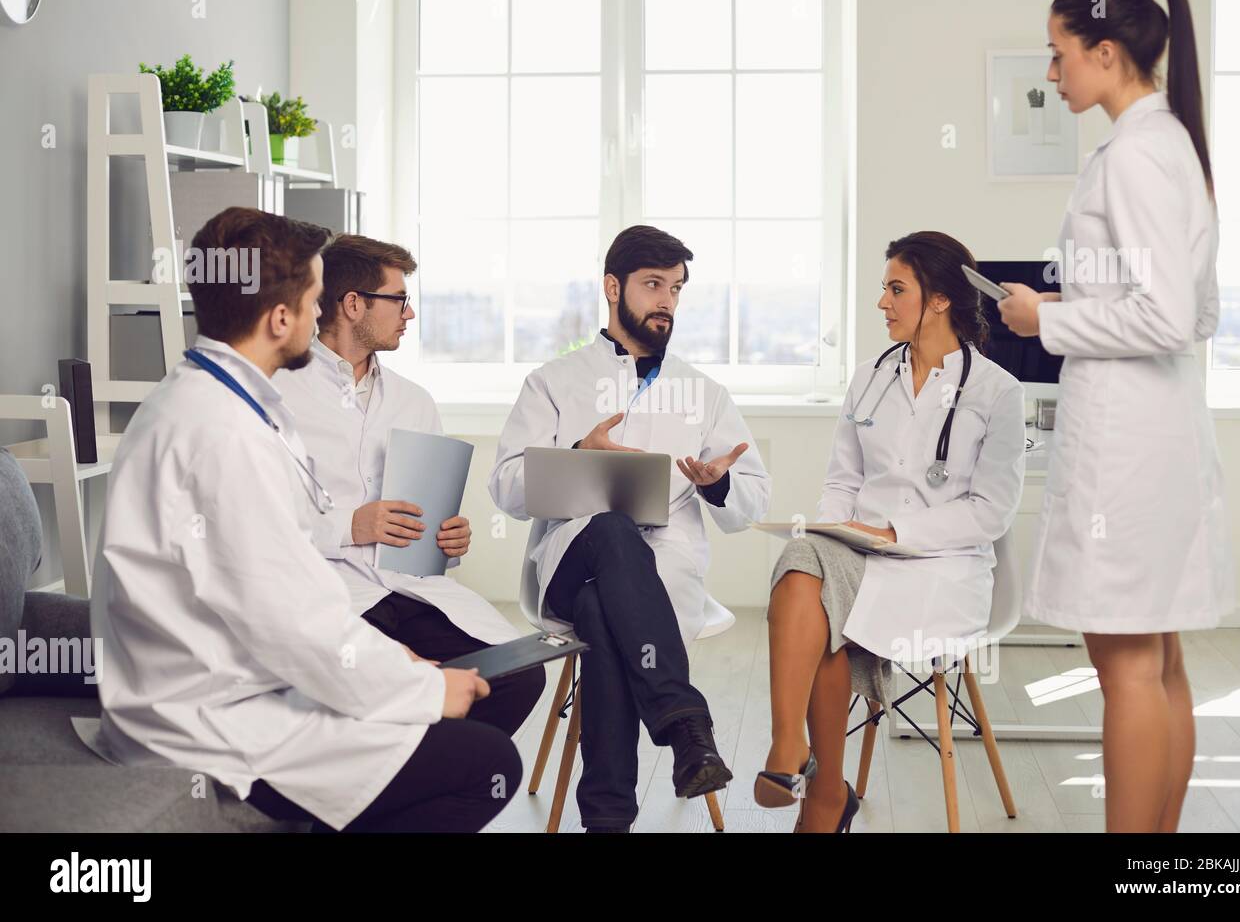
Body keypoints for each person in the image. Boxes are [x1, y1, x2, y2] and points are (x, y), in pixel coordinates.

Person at [91, 207, 520, 833]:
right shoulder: (223, 433)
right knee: (486, 764)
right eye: (315, 299)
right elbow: (287, 616)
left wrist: (388, 661)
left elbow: (282, 583)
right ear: (281, 317)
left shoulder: (208, 402)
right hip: (208, 723)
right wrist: (420, 690)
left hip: (232, 682)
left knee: (458, 724)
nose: (322, 315)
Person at [996, 0, 1232, 832]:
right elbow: (1198, 310)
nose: (1052, 75)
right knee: (1158, 658)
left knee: (1127, 663)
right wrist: (1064, 307)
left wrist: (1043, 320)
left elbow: (1167, 317)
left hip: (1129, 446)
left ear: (1106, 51)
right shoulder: (1173, 146)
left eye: (1059, 57)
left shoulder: (1135, 154)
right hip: (1163, 433)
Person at [488, 225, 771, 831]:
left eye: (675, 288)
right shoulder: (554, 380)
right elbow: (507, 489)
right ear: (613, 288)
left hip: (664, 575)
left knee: (603, 609)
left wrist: (719, 483)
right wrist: (577, 455)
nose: (666, 300)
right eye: (652, 285)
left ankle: (608, 817)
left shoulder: (704, 392)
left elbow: (750, 504)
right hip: (567, 560)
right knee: (612, 530)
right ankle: (684, 723)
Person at [761, 232, 1025, 832]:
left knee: (830, 610)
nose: (882, 301)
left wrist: (891, 530)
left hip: (944, 566)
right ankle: (792, 753)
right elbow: (841, 481)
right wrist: (837, 528)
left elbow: (991, 511)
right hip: (859, 552)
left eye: (895, 288)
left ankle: (824, 794)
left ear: (939, 300)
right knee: (805, 558)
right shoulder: (869, 379)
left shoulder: (996, 392)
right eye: (884, 287)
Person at [274, 234, 543, 737]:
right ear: (353, 304)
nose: (410, 314)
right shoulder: (278, 393)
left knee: (517, 675)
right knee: (378, 684)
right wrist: (350, 526)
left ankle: (428, 788)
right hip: (334, 592)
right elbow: (257, 527)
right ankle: (403, 783)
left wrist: (449, 541)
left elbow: (426, 528)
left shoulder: (414, 401)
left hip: (411, 590)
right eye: (399, 300)